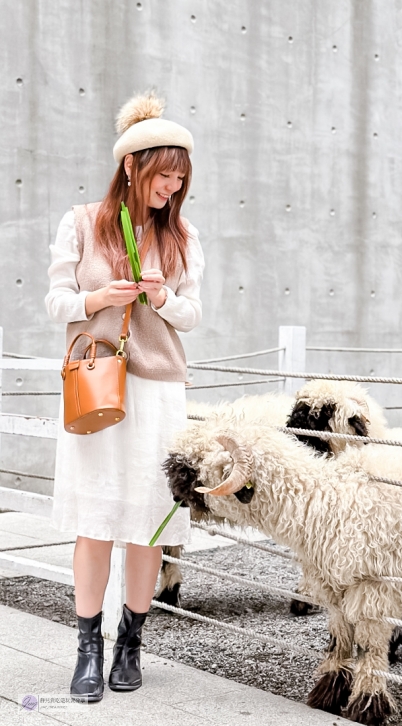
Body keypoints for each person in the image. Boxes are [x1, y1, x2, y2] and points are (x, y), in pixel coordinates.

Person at [45, 92, 204, 702]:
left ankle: (129, 643)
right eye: (165, 175)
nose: (172, 187)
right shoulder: (81, 222)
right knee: (94, 522)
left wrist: (162, 299)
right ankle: (87, 647)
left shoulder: (183, 234)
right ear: (133, 166)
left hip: (158, 391)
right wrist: (101, 299)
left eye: (181, 178)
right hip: (95, 384)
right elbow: (56, 301)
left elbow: (192, 315)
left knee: (147, 522)